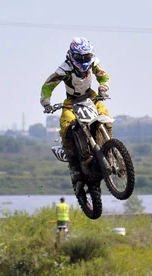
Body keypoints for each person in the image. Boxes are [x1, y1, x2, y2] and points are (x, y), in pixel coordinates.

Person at [40, 37, 112, 193]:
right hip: (71, 102)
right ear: (73, 55)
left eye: (87, 56)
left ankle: (110, 149)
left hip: (91, 97)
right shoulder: (64, 70)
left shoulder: (93, 63)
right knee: (67, 126)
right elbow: (48, 85)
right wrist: (46, 103)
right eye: (81, 57)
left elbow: (103, 76)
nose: (84, 60)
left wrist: (103, 88)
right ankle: (74, 169)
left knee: (106, 116)